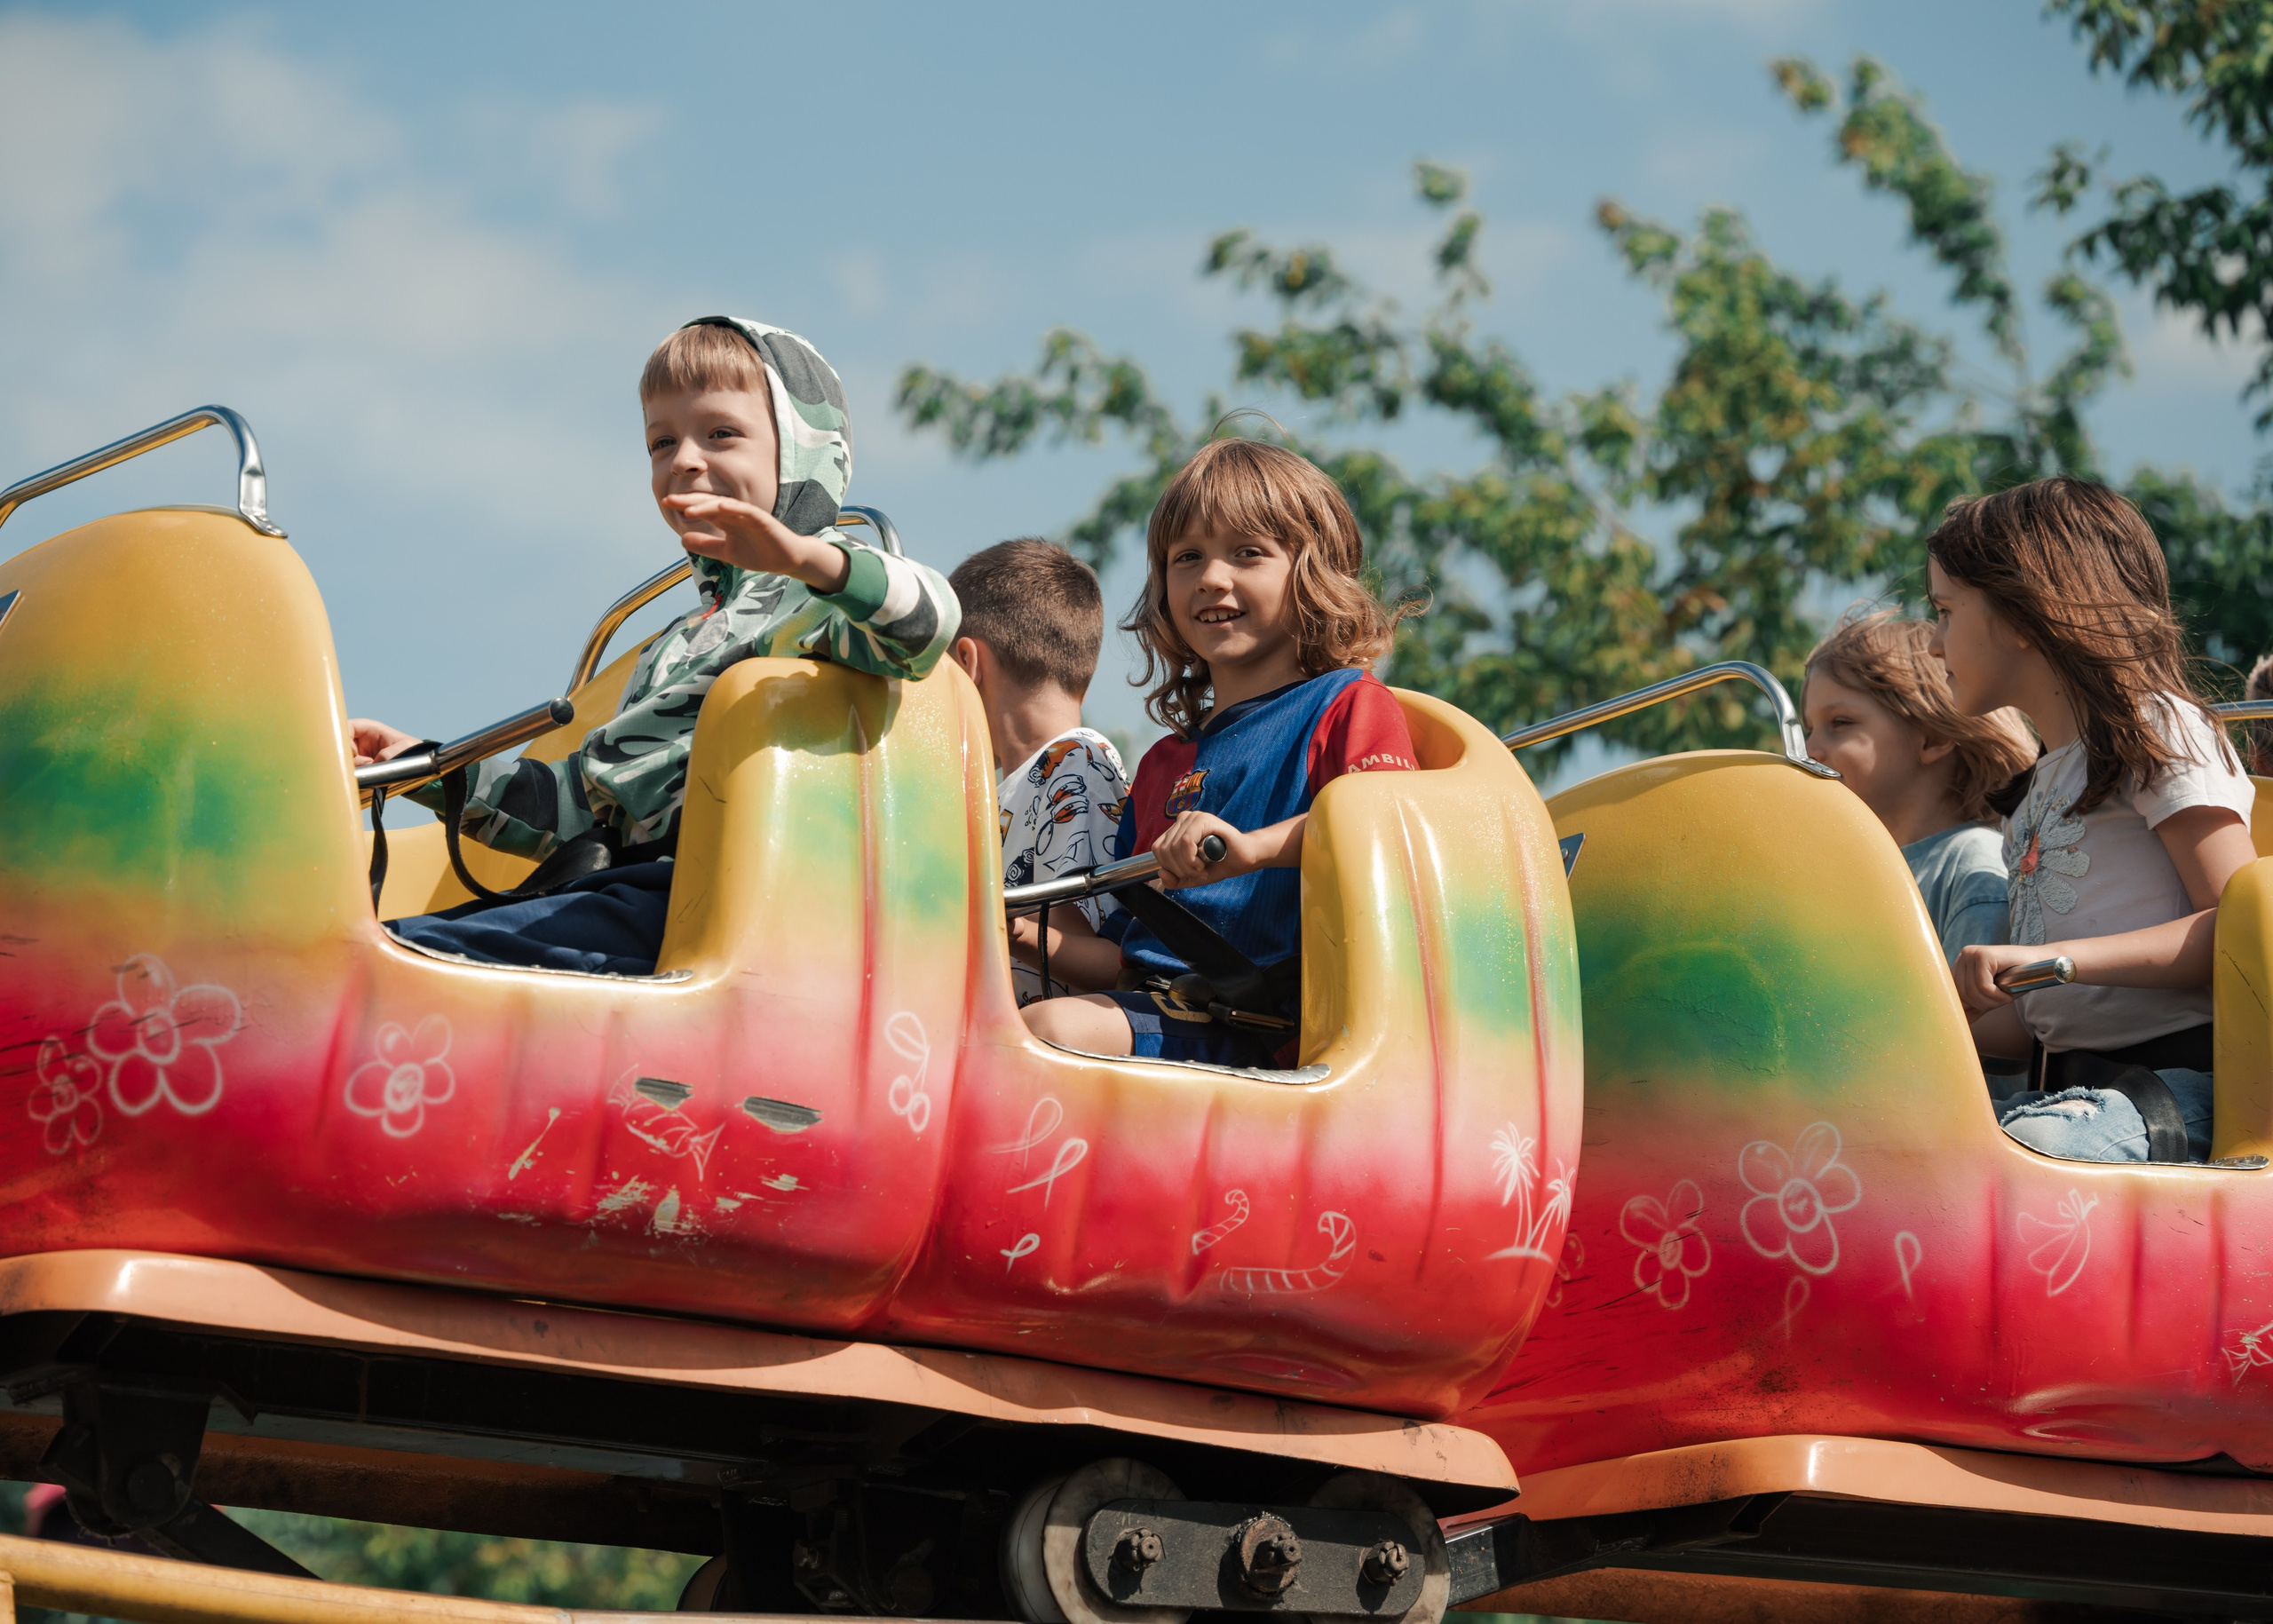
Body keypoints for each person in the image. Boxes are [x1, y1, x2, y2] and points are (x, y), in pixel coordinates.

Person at [351, 317, 959, 976]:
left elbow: (928, 623)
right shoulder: (669, 648)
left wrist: (808, 559)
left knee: (406, 961)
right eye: (661, 442)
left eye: (721, 433)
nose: (684, 459)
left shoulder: (821, 598)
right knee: (390, 943)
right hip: (615, 893)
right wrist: (426, 768)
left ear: (801, 450)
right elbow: (575, 806)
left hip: (717, 899)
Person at [1022, 438, 1421, 1068]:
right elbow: (1125, 958)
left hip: (1269, 1033)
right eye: (1187, 557)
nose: (1210, 578)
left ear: (1312, 572)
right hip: (1162, 1015)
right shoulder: (1162, 765)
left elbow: (1394, 837)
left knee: (1045, 1031)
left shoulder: (1347, 705)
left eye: (1247, 553)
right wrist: (1011, 929)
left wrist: (1251, 849)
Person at [1931, 477, 2258, 1164]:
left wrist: (2055, 964)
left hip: (2179, 1091)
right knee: (1915, 1151)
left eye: (1946, 611)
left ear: (2022, 617)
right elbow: (2035, 1025)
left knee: (2027, 1154)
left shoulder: (2160, 729)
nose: (1934, 644)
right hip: (2072, 1098)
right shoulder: (2035, 792)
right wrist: (1927, 1006)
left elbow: (2243, 931)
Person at [946, 538, 1129, 1002]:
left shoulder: (1074, 763)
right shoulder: (1025, 782)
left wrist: (1002, 925)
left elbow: (1104, 964)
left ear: (967, 663)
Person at [1802, 610, 2036, 966]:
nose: (1810, 750)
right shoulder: (1844, 876)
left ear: (1933, 737)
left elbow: (1968, 1002)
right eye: (1809, 729)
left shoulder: (1971, 864)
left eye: (1840, 723)